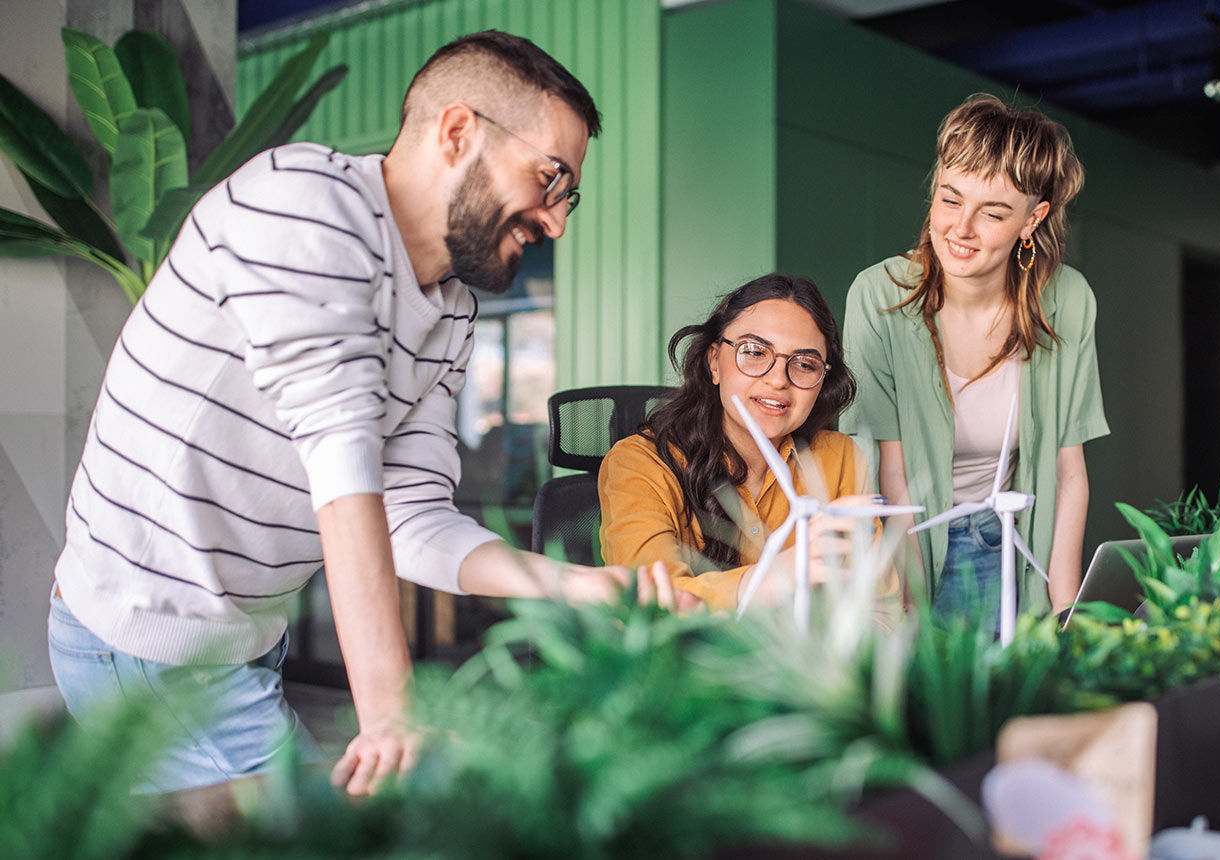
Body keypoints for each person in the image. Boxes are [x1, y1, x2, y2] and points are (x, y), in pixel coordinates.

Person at [47, 29, 676, 798]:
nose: (556, 221)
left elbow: (409, 517)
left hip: (241, 636)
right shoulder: (303, 204)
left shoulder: (449, 307)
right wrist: (391, 715)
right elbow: (343, 471)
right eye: (549, 179)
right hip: (151, 632)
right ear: (456, 132)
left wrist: (582, 586)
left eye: (568, 195)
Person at [841, 93, 1109, 630]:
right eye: (949, 199)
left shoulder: (1069, 299)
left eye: (992, 213)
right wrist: (909, 607)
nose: (961, 229)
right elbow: (889, 474)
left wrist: (1064, 612)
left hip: (1015, 543)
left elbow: (1068, 471)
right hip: (913, 548)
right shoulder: (878, 296)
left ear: (1033, 219)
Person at [599, 274, 896, 616]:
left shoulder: (841, 458)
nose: (778, 379)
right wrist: (769, 580)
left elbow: (879, 608)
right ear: (714, 362)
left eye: (804, 364)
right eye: (754, 352)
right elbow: (653, 602)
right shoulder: (641, 462)